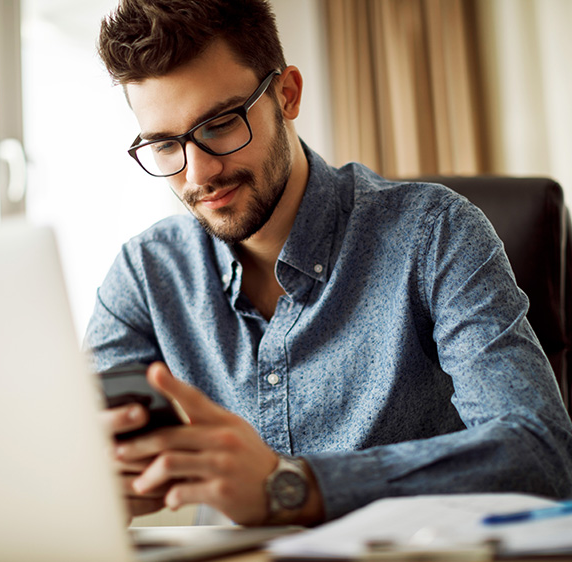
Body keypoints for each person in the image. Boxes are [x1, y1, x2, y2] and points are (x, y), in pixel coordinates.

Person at [85, 0, 572, 526]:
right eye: (164, 144)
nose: (198, 172)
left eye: (221, 124)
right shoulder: (144, 272)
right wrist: (101, 482)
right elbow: (76, 452)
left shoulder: (436, 233)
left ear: (287, 94)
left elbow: (539, 452)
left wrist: (290, 488)